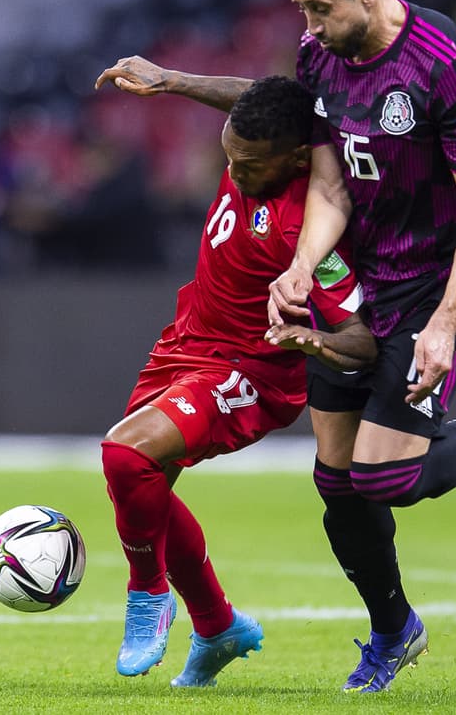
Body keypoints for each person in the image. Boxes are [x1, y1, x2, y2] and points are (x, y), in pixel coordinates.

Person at [96, 0, 456, 694]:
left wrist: (443, 325)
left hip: (426, 286)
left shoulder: (449, 65)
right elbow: (321, 174)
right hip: (356, 276)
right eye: (302, 10)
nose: (309, 27)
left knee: (386, 478)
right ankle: (394, 632)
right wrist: (302, 266)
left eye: (320, 8)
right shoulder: (320, 53)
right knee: (337, 485)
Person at [94, 75, 377, 688]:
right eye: (230, 157)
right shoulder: (259, 141)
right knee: (141, 487)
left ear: (295, 159)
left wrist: (314, 342)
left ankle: (148, 595)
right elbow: (260, 99)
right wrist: (170, 80)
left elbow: (362, 339)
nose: (235, 171)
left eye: (248, 166)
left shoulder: (310, 228)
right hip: (184, 342)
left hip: (247, 370)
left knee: (124, 455)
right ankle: (217, 626)